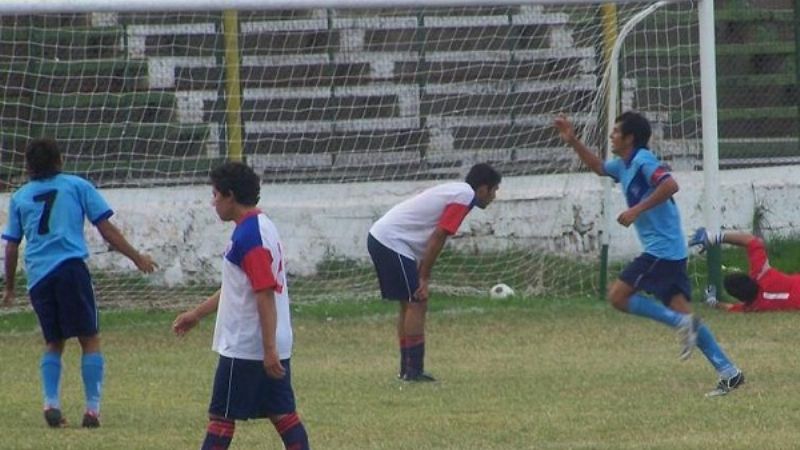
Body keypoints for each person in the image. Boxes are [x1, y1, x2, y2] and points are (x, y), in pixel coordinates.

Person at [553, 112, 744, 397]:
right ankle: (729, 372)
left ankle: (683, 326)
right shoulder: (624, 165)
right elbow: (599, 167)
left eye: (616, 131)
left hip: (662, 252)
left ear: (629, 138)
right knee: (683, 312)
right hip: (672, 252)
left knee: (618, 296)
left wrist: (636, 209)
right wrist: (573, 141)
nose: (611, 136)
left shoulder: (643, 160)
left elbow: (670, 185)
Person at [2, 138, 156, 428]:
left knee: (53, 342)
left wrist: (9, 286)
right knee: (90, 339)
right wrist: (136, 257)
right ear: (60, 160)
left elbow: (11, 246)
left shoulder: (20, 197)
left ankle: (51, 403)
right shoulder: (76, 185)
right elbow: (106, 228)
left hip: (38, 277)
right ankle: (92, 410)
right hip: (70, 270)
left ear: (28, 166)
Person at [172, 162, 309, 450]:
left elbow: (264, 294)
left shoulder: (249, 236)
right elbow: (241, 288)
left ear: (230, 196)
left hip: (249, 345)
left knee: (221, 418)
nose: (213, 202)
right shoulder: (262, 226)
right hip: (269, 341)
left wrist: (268, 349)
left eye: (215, 195)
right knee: (283, 416)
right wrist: (198, 313)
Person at [367, 163, 501, 382]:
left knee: (409, 303)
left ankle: (407, 369)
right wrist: (424, 276)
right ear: (483, 189)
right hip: (391, 241)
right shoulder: (464, 196)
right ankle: (413, 371)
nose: (494, 196)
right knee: (416, 301)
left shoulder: (457, 191)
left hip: (383, 239)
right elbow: (439, 235)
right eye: (494, 190)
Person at [691, 228, 800, 312]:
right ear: (748, 277)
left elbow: (730, 307)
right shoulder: (761, 275)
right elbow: (751, 240)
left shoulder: (753, 307)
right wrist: (715, 237)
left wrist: (711, 301)